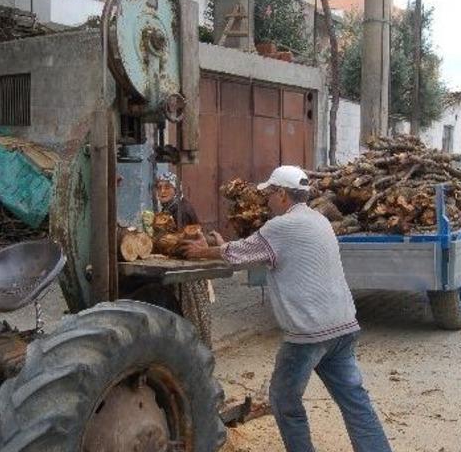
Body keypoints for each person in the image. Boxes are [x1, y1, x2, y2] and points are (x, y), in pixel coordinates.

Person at [180, 165, 392, 452]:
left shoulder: (281, 226)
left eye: (270, 194)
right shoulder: (319, 220)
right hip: (343, 327)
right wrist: (225, 246)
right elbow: (253, 251)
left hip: (309, 334)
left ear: (282, 194)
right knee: (355, 400)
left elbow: (240, 255)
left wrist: (201, 251)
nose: (267, 200)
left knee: (284, 400)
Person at [154, 171, 213, 347]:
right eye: (159, 187)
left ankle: (196, 350)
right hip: (180, 265)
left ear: (176, 189)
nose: (162, 191)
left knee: (190, 313)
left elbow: (186, 242)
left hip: (188, 271)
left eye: (167, 187)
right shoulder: (169, 208)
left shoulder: (183, 210)